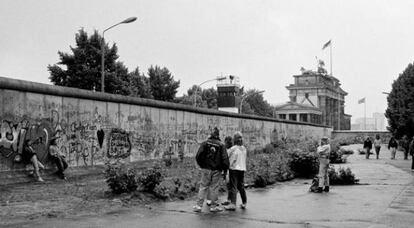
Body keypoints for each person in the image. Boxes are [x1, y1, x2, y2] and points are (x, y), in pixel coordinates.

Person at [193, 127, 229, 213]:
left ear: (210, 135)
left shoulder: (205, 143)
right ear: (218, 135)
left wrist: (202, 165)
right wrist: (225, 170)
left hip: (206, 168)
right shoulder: (221, 145)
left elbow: (198, 155)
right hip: (217, 169)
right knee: (214, 187)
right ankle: (213, 206)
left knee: (203, 186)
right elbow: (225, 159)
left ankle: (198, 206)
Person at [224, 132, 247, 210]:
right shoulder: (244, 148)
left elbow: (230, 159)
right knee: (241, 186)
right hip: (242, 169)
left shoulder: (233, 149)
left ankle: (233, 204)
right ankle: (244, 202)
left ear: (235, 139)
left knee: (233, 186)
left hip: (234, 169)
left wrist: (227, 168)